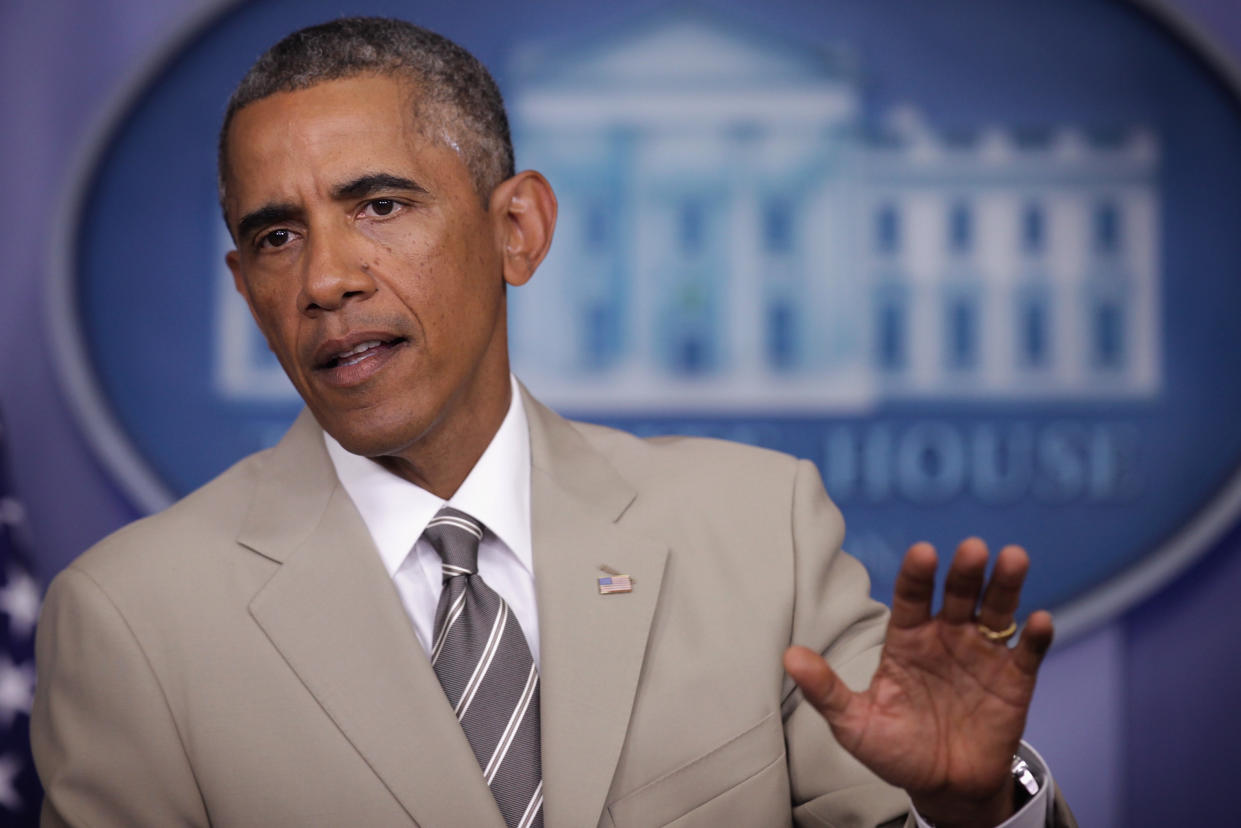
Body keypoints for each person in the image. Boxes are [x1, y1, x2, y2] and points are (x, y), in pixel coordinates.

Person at [32, 17, 1075, 828]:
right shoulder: (131, 622)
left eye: (380, 206)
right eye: (274, 235)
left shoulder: (758, 530)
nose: (326, 278)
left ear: (515, 230)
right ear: (242, 284)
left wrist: (970, 809)